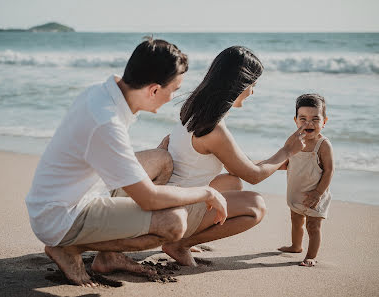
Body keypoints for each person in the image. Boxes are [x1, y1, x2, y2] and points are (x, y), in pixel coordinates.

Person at [25, 38, 253, 287]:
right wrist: (207, 192)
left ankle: (109, 254)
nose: (174, 97)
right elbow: (149, 198)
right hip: (63, 217)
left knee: (161, 159)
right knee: (174, 222)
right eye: (174, 90)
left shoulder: (102, 92)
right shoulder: (106, 122)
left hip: (77, 194)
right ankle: (68, 248)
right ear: (154, 89)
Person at [132, 46, 309, 265]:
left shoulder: (194, 109)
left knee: (233, 183)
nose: (252, 91)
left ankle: (183, 236)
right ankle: (179, 243)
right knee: (256, 206)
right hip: (177, 206)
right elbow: (253, 175)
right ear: (239, 84)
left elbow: (238, 167)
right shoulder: (214, 130)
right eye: (252, 84)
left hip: (174, 194)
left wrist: (278, 163)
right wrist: (286, 151)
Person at [278, 94, 334, 267]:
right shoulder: (294, 141)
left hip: (315, 194)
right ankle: (296, 246)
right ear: (295, 120)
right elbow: (286, 162)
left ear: (324, 121)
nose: (309, 123)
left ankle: (311, 256)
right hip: (296, 192)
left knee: (312, 226)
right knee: (295, 219)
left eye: (315, 119)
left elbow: (329, 170)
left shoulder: (323, 145)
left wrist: (318, 193)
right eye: (303, 119)